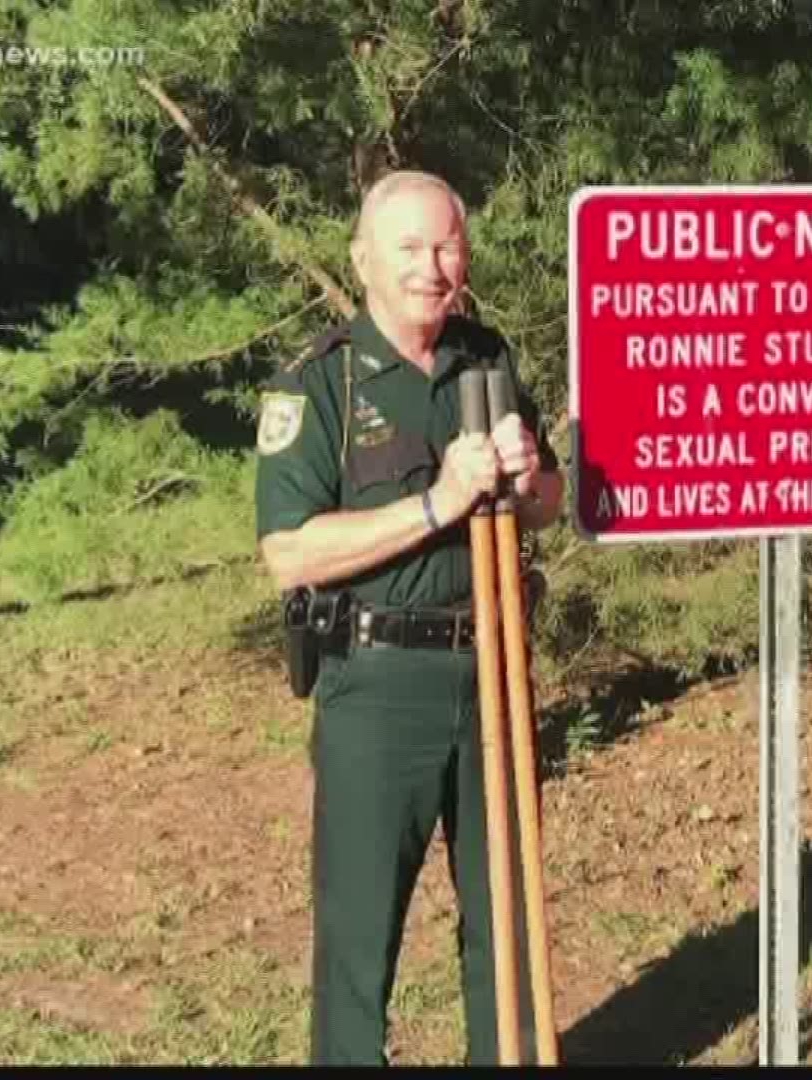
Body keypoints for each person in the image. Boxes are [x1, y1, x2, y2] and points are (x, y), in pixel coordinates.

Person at [254, 169, 564, 1065]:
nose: (433, 267)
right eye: (410, 248)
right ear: (364, 261)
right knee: (359, 939)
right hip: (377, 686)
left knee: (508, 918)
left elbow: (544, 503)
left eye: (447, 246)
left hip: (496, 670)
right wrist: (440, 503)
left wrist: (527, 474)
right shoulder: (321, 383)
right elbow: (291, 550)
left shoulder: (488, 358)